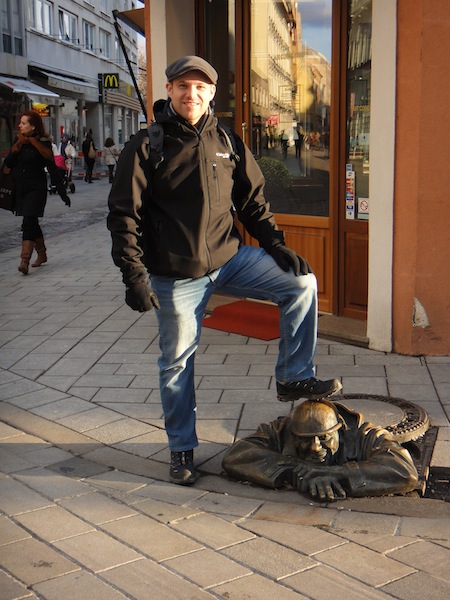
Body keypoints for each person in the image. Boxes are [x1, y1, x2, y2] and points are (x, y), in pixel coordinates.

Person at [107, 55, 342, 486]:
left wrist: (274, 245)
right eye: (182, 86)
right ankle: (181, 449)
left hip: (229, 260)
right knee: (176, 363)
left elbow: (252, 201)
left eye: (199, 87)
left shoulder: (228, 140)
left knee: (301, 284)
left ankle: (294, 377)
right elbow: (124, 216)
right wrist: (134, 276)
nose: (190, 94)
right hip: (176, 274)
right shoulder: (146, 145)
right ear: (170, 90)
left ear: (212, 93)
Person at [222, 399, 419, 502]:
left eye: (324, 438)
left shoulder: (364, 434)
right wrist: (296, 470)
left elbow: (405, 471)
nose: (315, 447)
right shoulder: (283, 429)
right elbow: (236, 455)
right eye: (304, 440)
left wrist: (336, 473)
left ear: (339, 431)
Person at [2, 110, 71, 275]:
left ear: (33, 127)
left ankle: (24, 261)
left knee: (28, 221)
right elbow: (9, 163)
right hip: (21, 189)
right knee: (31, 221)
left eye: (24, 123)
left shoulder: (44, 144)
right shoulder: (18, 142)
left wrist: (62, 193)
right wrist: (16, 148)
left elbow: (53, 170)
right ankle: (42, 254)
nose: (20, 125)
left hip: (36, 190)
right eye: (21, 122)